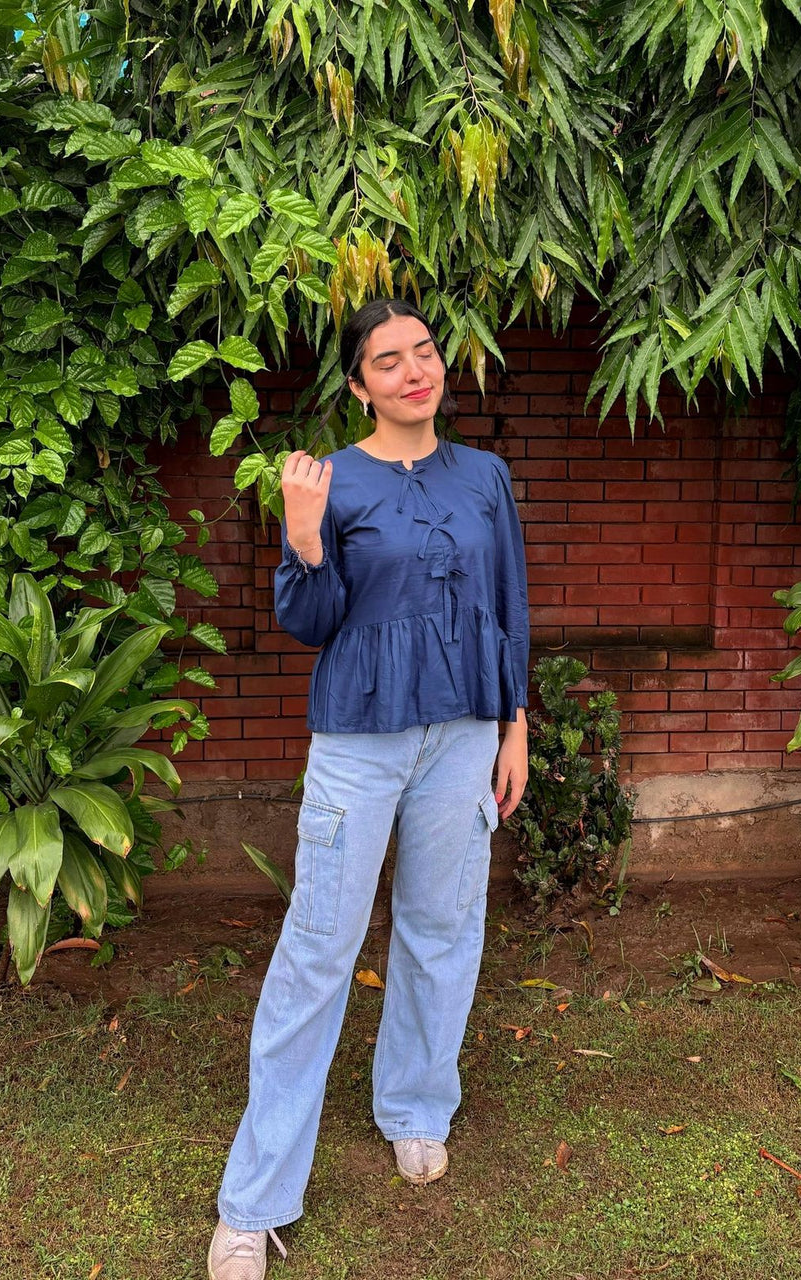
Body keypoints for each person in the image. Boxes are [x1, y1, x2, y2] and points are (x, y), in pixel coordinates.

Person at [208, 298, 530, 1279]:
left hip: (464, 733)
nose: (413, 370)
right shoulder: (329, 478)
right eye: (386, 361)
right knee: (318, 950)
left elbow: (510, 598)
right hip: (360, 742)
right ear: (358, 386)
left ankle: (416, 1104)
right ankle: (253, 1200)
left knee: (443, 925)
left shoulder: (485, 477)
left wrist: (513, 721)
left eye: (424, 351)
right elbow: (309, 621)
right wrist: (304, 532)